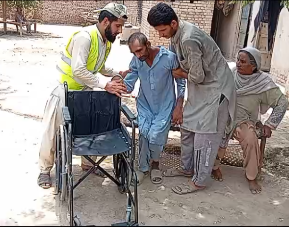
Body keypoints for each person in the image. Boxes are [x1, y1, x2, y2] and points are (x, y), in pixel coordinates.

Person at [147, 3, 237, 195]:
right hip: (200, 90)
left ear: (173, 23)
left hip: (215, 91)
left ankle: (200, 181)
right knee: (187, 129)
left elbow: (198, 76)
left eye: (162, 30)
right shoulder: (176, 36)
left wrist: (179, 73)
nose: (161, 35)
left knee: (205, 139)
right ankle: (187, 169)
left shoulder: (188, 39)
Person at [37, 3, 129, 189]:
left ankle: (88, 164)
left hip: (84, 91)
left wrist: (117, 72)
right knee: (51, 132)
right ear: (105, 21)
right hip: (64, 90)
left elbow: (98, 66)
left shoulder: (106, 41)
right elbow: (79, 69)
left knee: (90, 126)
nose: (119, 31)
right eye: (117, 26)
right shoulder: (85, 37)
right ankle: (45, 170)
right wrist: (106, 84)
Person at [212, 47, 288, 194]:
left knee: (251, 139)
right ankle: (214, 168)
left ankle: (251, 177)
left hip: (243, 121)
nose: (238, 64)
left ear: (254, 66)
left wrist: (270, 124)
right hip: (223, 116)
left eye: (243, 61)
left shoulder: (263, 83)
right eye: (237, 60)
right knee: (213, 135)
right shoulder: (231, 74)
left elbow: (282, 103)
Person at [122, 32, 185, 185]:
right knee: (144, 133)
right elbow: (129, 84)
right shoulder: (136, 61)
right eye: (134, 52)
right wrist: (118, 82)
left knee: (156, 135)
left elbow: (181, 82)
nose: (137, 55)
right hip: (144, 104)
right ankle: (143, 168)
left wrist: (179, 106)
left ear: (148, 45)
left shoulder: (168, 58)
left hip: (165, 105)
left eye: (139, 50)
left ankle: (155, 164)